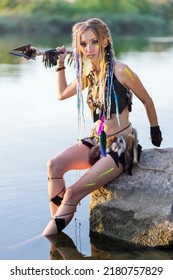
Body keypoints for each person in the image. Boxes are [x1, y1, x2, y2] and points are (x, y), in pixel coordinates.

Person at [42, 18, 162, 236]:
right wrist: (60, 63)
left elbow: (148, 100)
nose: (89, 49)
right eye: (83, 44)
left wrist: (155, 131)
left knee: (71, 194)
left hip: (122, 148)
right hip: (97, 142)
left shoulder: (122, 70)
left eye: (94, 42)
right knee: (53, 166)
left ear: (105, 41)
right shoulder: (88, 74)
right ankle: (56, 225)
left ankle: (49, 239)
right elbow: (61, 94)